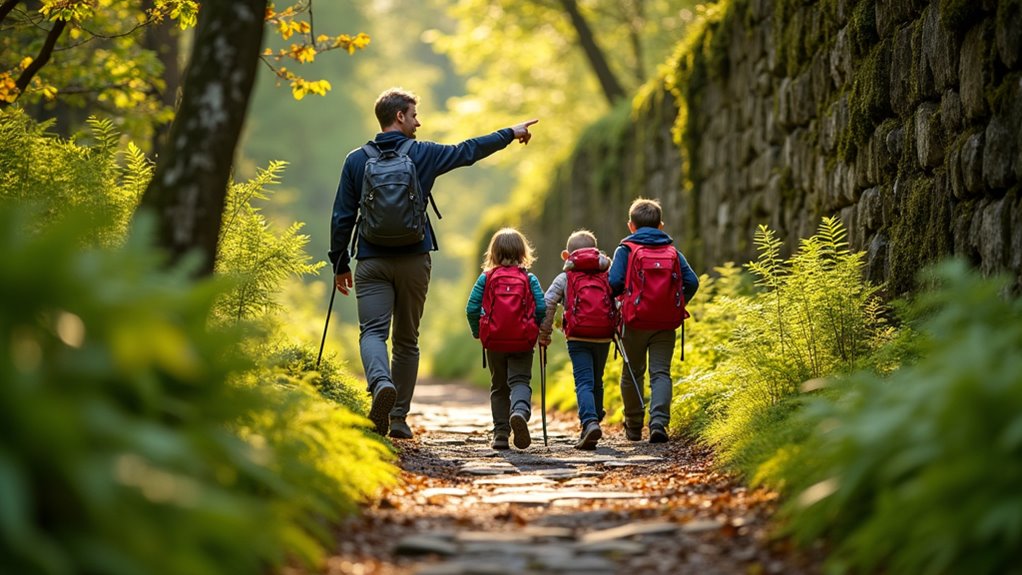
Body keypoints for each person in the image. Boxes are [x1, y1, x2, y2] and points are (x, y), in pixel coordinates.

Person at [329, 88, 539, 439]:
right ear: (399, 116)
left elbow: (342, 216)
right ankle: (397, 418)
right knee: (407, 340)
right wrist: (509, 133)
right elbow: (466, 151)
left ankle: (381, 383)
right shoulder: (422, 153)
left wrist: (340, 263)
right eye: (414, 115)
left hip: (371, 259)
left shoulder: (356, 160)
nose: (418, 121)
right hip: (413, 258)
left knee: (372, 332)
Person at [608, 198, 699, 443]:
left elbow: (613, 283)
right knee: (661, 373)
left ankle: (634, 427)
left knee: (632, 372)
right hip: (665, 323)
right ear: (661, 225)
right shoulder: (672, 252)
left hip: (634, 322)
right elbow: (692, 282)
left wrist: (621, 302)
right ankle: (659, 423)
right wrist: (677, 304)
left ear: (631, 226)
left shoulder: (625, 250)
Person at [465, 228, 546, 450]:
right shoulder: (529, 278)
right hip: (522, 339)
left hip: (494, 340)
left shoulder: (487, 277)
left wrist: (477, 331)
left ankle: (500, 434)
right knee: (520, 381)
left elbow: (472, 308)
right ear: (522, 253)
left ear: (493, 252)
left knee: (499, 386)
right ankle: (519, 411)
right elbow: (541, 306)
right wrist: (535, 327)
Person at [538, 230, 613, 450]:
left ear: (566, 255)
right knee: (597, 379)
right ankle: (594, 419)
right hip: (603, 335)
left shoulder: (565, 277)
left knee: (583, 381)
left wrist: (544, 333)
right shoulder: (607, 274)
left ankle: (589, 422)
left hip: (578, 336)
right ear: (596, 251)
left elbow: (548, 302)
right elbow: (618, 298)